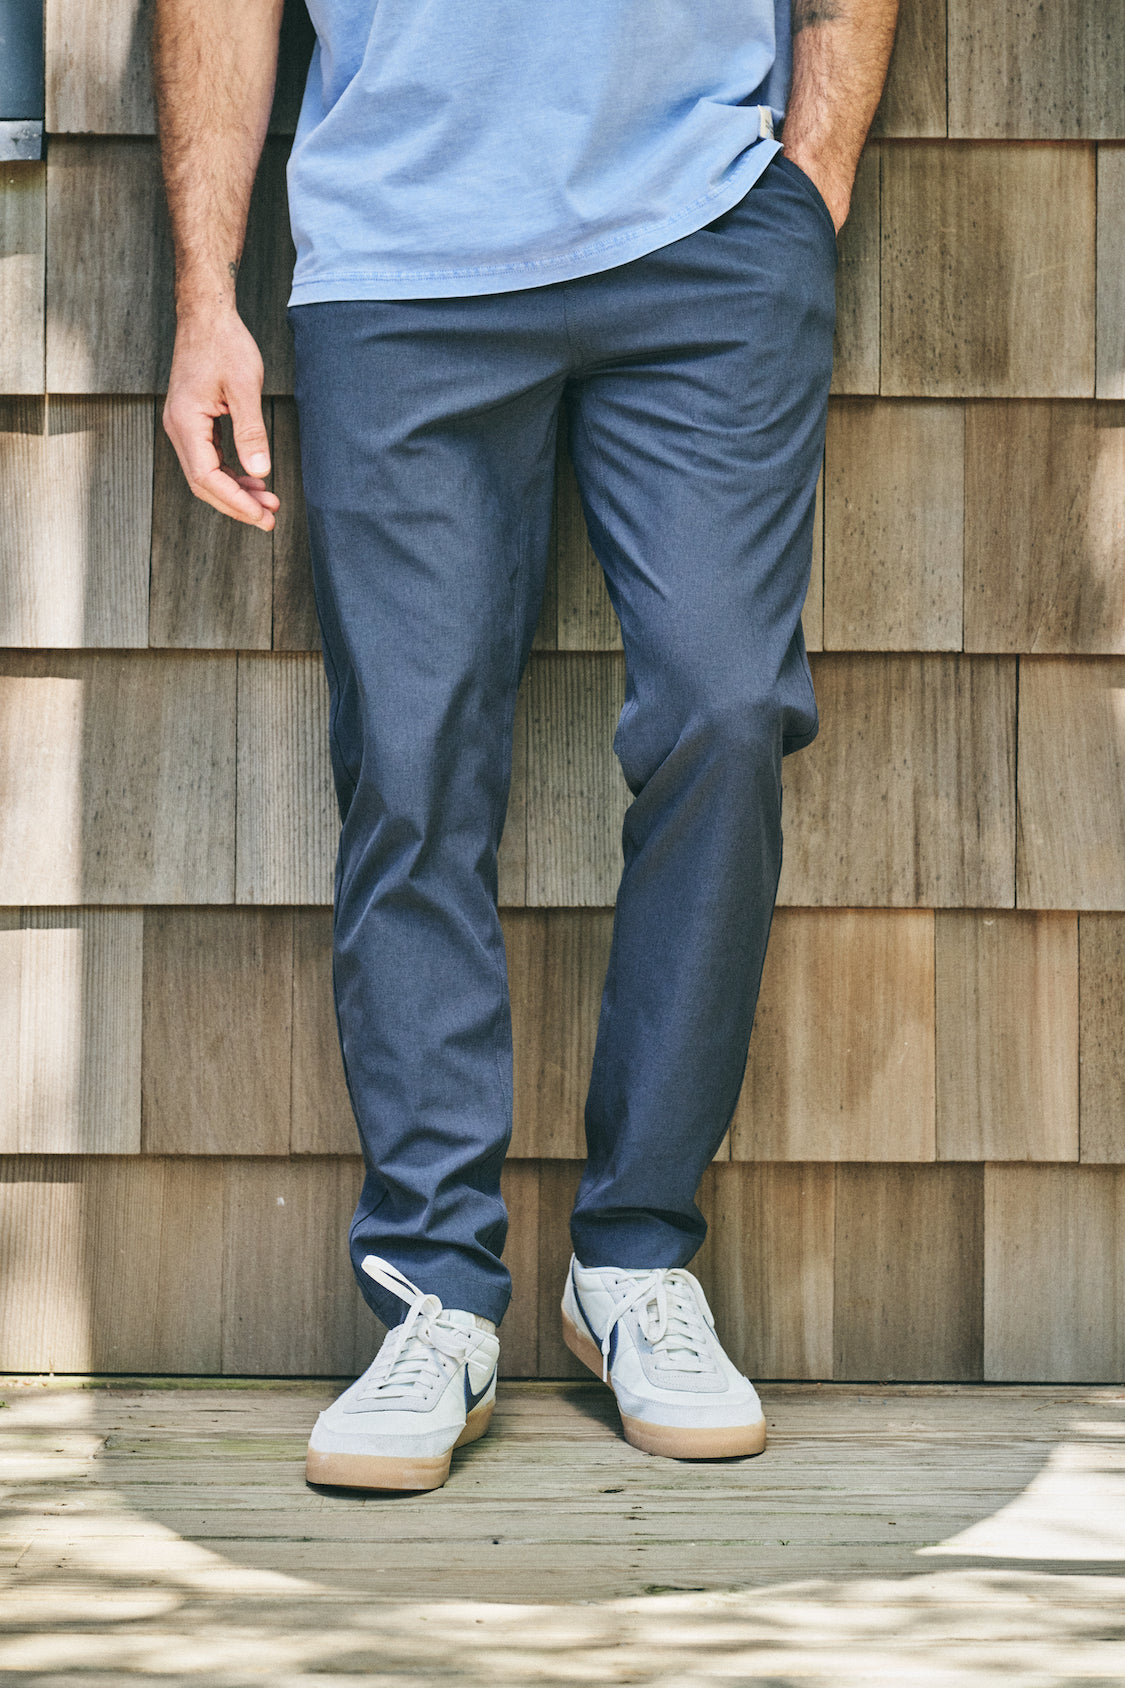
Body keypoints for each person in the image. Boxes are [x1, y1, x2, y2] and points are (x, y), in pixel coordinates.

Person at [155, 0, 898, 1492]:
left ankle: (633, 1261)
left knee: (725, 708)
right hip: (398, 260)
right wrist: (205, 295)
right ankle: (436, 1291)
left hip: (704, 235)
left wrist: (802, 188)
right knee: (412, 767)